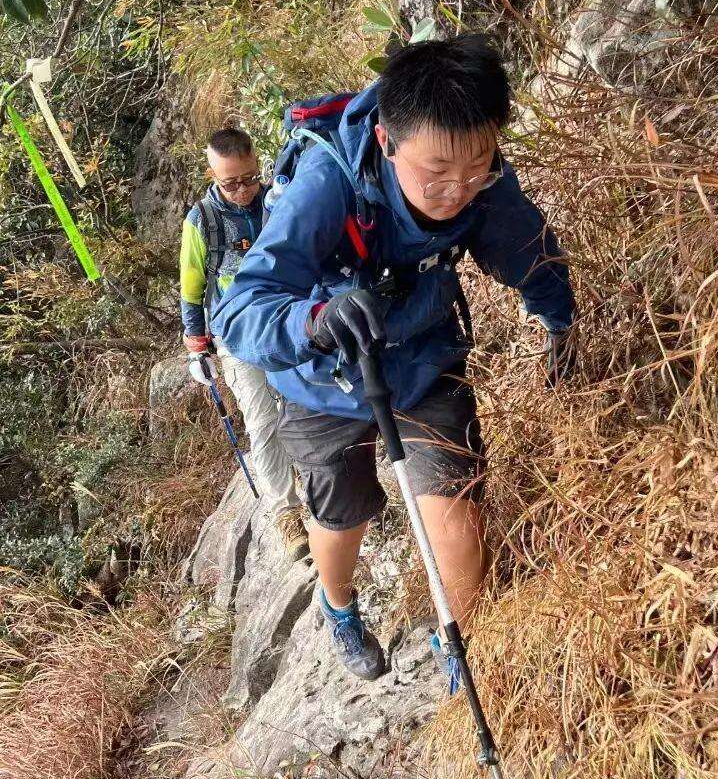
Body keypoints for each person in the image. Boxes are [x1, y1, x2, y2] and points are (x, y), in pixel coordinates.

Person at [211, 35, 575, 679]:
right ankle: (340, 605)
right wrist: (314, 320)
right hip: (321, 376)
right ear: (386, 141)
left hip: (422, 357)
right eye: (435, 171)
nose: (457, 190)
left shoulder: (481, 181)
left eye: (477, 166)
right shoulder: (328, 184)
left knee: (457, 510)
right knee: (342, 515)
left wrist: (559, 320)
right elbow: (239, 312)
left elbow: (526, 248)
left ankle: (457, 644)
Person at [179, 126, 309, 561]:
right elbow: (192, 287)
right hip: (234, 335)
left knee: (303, 402)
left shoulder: (277, 200)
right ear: (211, 173)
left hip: (284, 320)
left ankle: (322, 481)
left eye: (250, 178)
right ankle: (286, 512)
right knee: (261, 418)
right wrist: (198, 346)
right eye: (229, 182)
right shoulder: (203, 221)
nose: (242, 190)